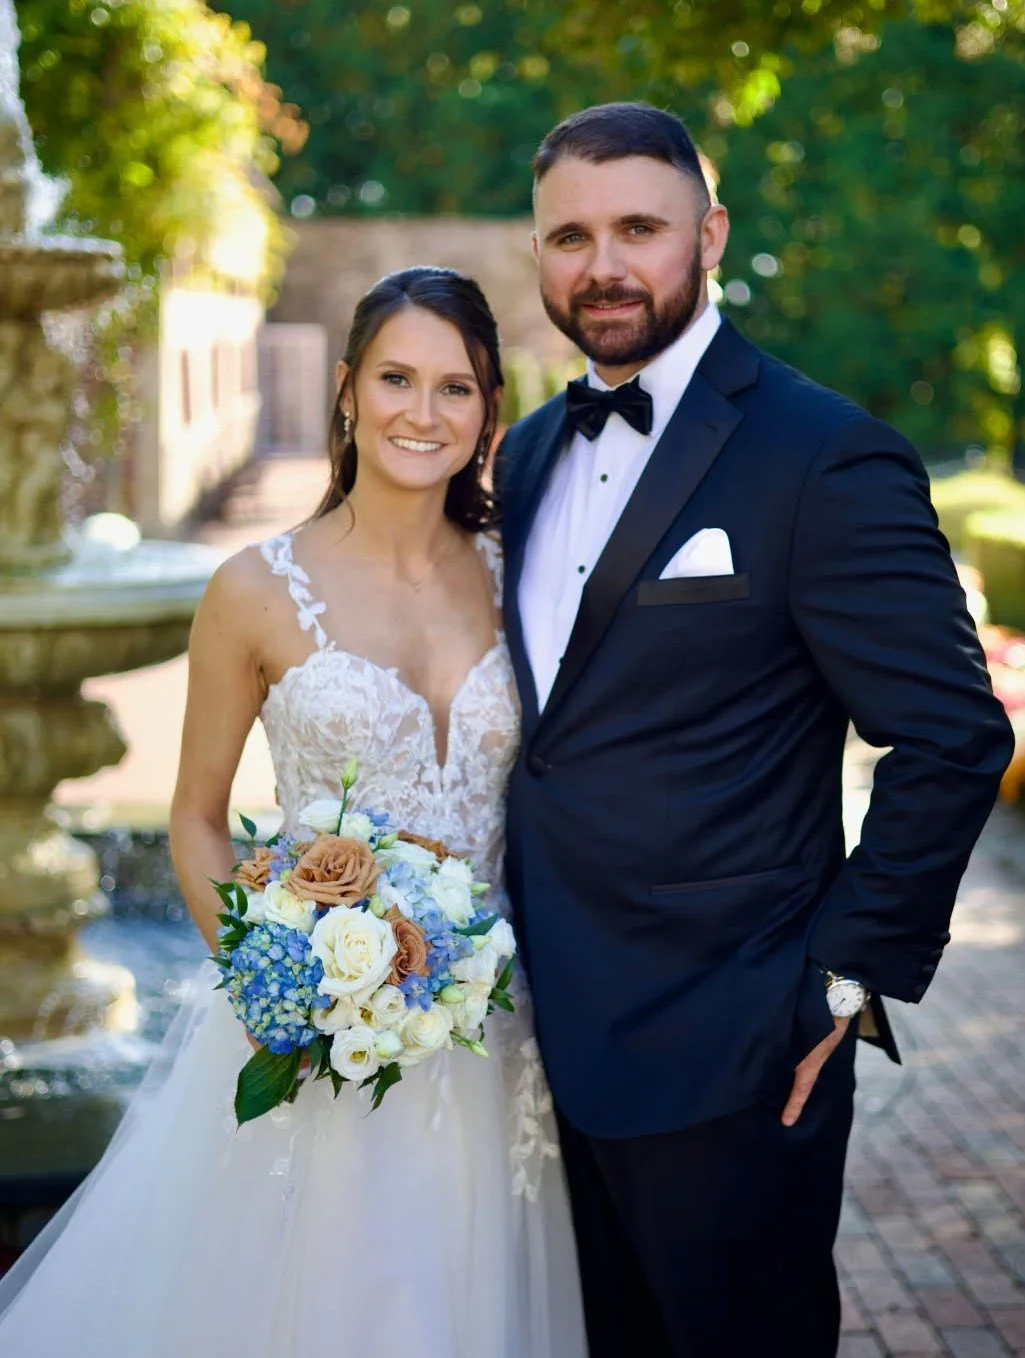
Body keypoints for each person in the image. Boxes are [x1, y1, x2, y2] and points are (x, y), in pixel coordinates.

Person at [498, 103, 1015, 1358]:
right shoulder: (518, 455)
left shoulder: (819, 453)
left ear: (710, 234)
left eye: (639, 227)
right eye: (570, 234)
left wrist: (840, 984)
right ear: (538, 255)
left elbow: (950, 734)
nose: (603, 264)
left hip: (730, 1046)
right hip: (526, 1041)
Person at [0, 267, 586, 1358]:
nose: (424, 411)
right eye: (397, 378)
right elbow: (195, 816)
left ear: (488, 408)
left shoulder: (528, 577)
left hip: (504, 1030)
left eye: (455, 388)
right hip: (316, 1033)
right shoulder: (255, 589)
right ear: (347, 391)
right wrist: (277, 980)